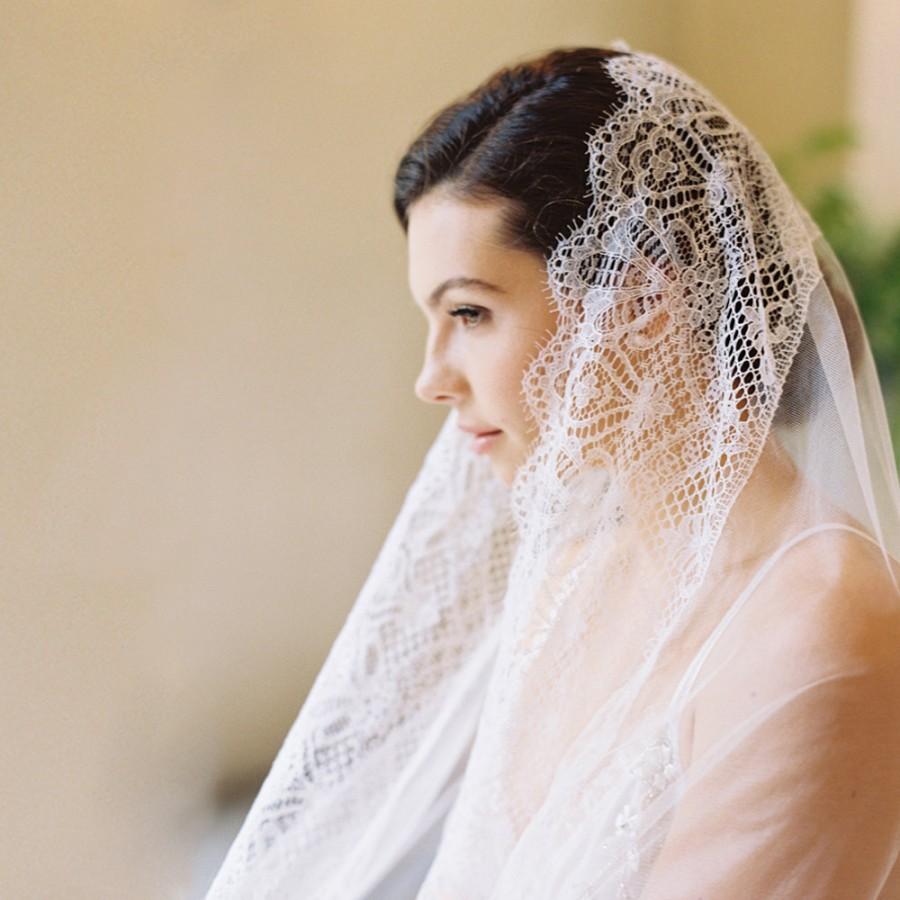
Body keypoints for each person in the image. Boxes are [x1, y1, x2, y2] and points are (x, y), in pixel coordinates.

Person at [206, 44, 900, 899]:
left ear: (643, 301)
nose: (432, 377)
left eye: (470, 312)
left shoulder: (823, 621)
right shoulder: (579, 579)